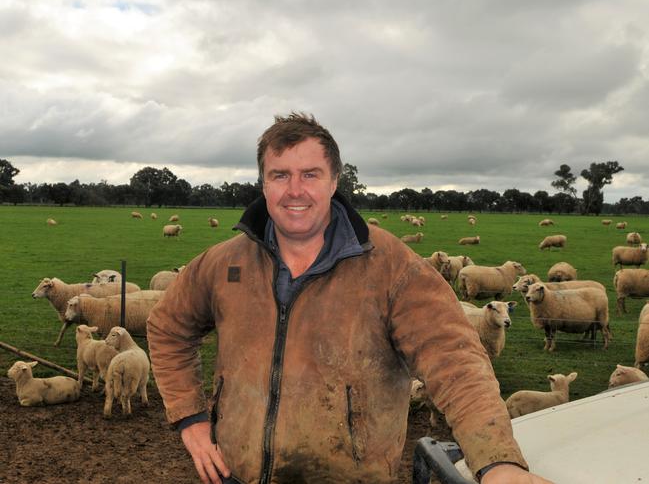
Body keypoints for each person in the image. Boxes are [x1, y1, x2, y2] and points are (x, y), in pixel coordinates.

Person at [147, 113, 552, 484]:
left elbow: (456, 360)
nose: (295, 191)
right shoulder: (223, 263)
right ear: (263, 183)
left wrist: (498, 463)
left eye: (310, 174)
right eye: (280, 175)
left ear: (335, 180)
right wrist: (191, 419)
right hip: (236, 475)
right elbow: (167, 326)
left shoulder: (392, 267)